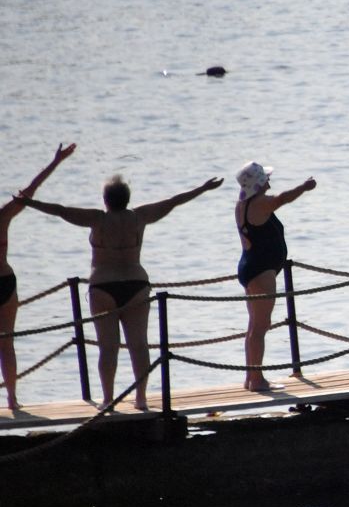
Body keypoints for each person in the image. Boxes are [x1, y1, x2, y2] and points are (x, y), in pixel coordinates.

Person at [14, 171, 222, 411]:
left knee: (108, 347)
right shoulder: (140, 216)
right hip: (136, 285)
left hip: (103, 286)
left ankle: (108, 399)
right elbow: (174, 201)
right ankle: (141, 398)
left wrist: (29, 202)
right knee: (139, 345)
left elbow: (60, 210)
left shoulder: (97, 219)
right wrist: (203, 188)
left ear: (105, 200)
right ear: (127, 198)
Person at [1, 142, 75, 411]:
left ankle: (11, 398)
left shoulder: (2, 217)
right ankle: (11, 399)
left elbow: (28, 193)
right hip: (6, 281)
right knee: (6, 343)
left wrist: (56, 162)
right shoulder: (2, 217)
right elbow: (29, 193)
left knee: (6, 343)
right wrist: (56, 161)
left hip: (6, 283)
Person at [232, 161, 317, 393]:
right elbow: (282, 198)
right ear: (258, 183)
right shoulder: (259, 203)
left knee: (255, 325)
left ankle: (251, 377)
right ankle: (257, 379)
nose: (269, 181)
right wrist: (304, 187)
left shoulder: (243, 204)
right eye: (265, 178)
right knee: (260, 326)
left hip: (251, 265)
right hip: (261, 270)